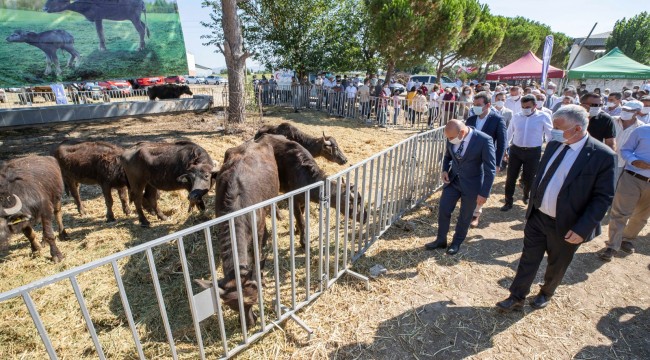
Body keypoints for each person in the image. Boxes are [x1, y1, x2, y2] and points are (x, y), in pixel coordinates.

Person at [496, 105, 616, 312]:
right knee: (528, 258)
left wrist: (583, 228)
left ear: (578, 129)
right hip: (538, 216)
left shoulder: (602, 155)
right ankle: (516, 296)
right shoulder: (554, 144)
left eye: (559, 127)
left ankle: (546, 292)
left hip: (569, 224)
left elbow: (603, 197)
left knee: (557, 263)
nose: (553, 131)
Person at [425, 119, 496, 255]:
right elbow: (447, 156)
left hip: (472, 185)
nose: (449, 140)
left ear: (462, 132)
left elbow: (490, 170)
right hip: (453, 181)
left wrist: (484, 193)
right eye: (448, 138)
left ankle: (457, 242)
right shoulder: (452, 136)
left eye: (451, 138)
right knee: (444, 209)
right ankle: (441, 240)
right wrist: (445, 170)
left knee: (465, 215)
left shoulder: (484, 140)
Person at [599, 123, 650, 262]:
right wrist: (635, 161)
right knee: (620, 213)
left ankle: (627, 238)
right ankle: (612, 246)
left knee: (641, 216)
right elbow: (625, 150)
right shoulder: (642, 130)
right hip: (633, 177)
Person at [502, 95, 553, 211]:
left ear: (535, 106)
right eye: (523, 106)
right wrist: (505, 150)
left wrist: (549, 151)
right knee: (510, 177)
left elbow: (550, 135)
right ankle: (508, 201)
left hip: (533, 152)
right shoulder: (516, 117)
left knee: (530, 178)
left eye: (528, 107)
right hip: (516, 151)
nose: (525, 109)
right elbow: (509, 133)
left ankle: (526, 195)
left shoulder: (543, 116)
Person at [465, 92, 507, 227]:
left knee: (482, 185)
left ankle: (476, 213)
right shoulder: (471, 120)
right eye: (474, 104)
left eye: (479, 105)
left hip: (487, 158)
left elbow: (502, 142)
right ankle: (468, 209)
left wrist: (498, 162)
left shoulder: (497, 120)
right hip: (471, 159)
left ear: (488, 105)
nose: (475, 107)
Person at [611, 101, 645, 179]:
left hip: (623, 165)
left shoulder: (641, 127)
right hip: (604, 160)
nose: (625, 112)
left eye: (629, 111)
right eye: (624, 109)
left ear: (637, 112)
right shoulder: (611, 120)